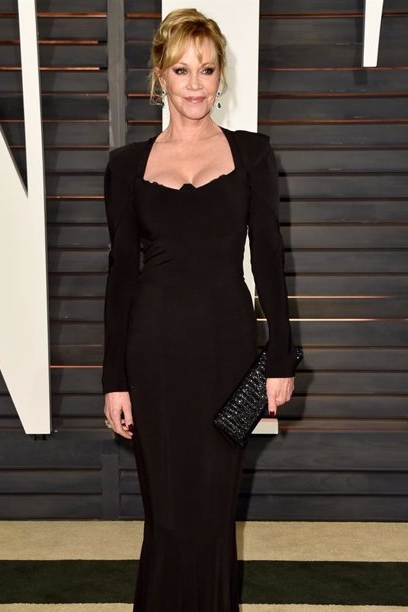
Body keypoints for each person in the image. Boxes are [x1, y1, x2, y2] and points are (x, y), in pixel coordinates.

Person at [101, 8, 296, 611]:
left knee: (212, 514)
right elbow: (120, 277)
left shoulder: (254, 155)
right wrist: (114, 380)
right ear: (159, 74)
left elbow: (269, 262)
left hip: (226, 355)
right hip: (152, 355)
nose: (195, 83)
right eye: (182, 69)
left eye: (207, 69)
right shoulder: (126, 166)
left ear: (221, 77)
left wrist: (282, 360)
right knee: (166, 513)